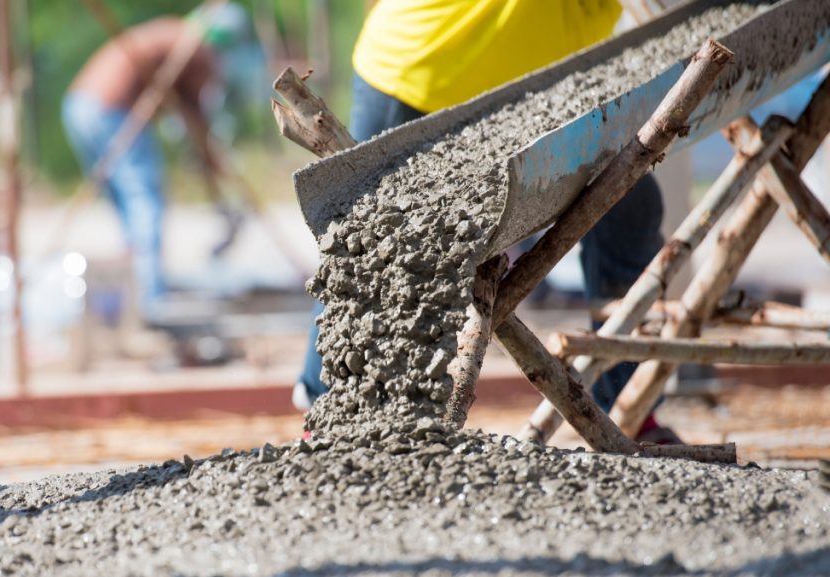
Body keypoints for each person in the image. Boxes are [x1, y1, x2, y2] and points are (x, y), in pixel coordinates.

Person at [293, 0, 678, 443]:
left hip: (547, 86)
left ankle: (631, 408)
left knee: (628, 207)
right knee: (373, 243)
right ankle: (330, 419)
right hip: (423, 69)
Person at [61, 6, 249, 323]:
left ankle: (135, 286)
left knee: (126, 205)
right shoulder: (196, 49)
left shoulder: (172, 35)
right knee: (144, 198)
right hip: (111, 109)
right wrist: (214, 165)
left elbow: (188, 115)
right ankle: (150, 298)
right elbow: (197, 117)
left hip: (79, 106)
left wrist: (207, 159)